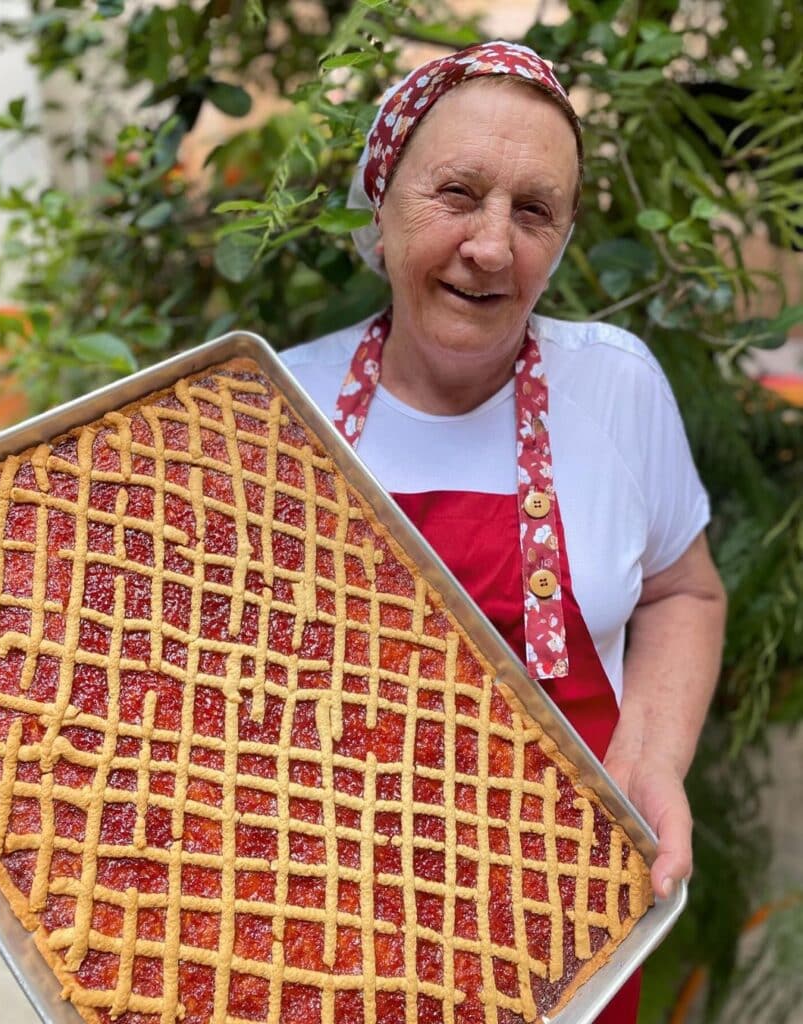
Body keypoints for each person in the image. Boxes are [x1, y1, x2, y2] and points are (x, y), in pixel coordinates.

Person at [281, 41, 727, 1022]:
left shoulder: (614, 386)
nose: (493, 245)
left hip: (564, 916)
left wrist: (652, 757)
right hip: (309, 916)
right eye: (458, 194)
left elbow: (681, 590)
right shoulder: (278, 404)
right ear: (383, 199)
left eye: (533, 211)